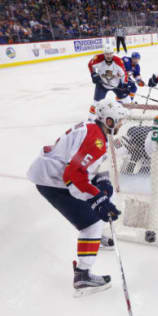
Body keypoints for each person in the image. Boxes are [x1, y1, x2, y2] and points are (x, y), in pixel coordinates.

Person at [27, 99, 129, 296]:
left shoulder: (95, 129)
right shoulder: (96, 139)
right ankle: (82, 276)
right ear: (108, 121)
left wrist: (100, 186)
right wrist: (97, 200)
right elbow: (72, 176)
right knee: (92, 224)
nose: (120, 124)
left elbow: (82, 166)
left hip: (56, 173)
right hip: (52, 181)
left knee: (107, 192)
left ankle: (94, 238)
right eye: (118, 121)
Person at [88, 44, 129, 118]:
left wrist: (125, 84)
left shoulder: (118, 61)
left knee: (127, 100)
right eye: (107, 54)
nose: (109, 56)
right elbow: (90, 64)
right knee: (96, 103)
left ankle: (128, 114)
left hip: (116, 84)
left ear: (113, 53)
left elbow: (124, 74)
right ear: (104, 54)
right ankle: (91, 119)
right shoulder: (98, 58)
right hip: (102, 85)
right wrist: (93, 74)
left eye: (110, 54)